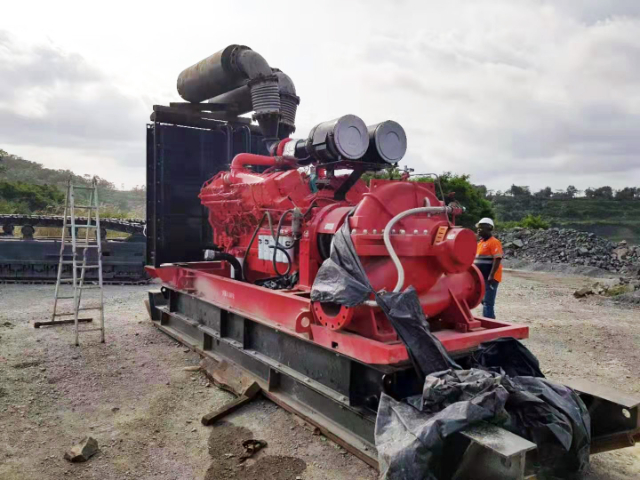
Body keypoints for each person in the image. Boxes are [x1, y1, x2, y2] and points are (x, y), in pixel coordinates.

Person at [475, 218, 503, 319]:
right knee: (483, 300)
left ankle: (490, 322)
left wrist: (491, 275)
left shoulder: (494, 242)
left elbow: (497, 259)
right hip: (482, 278)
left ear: (489, 228)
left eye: (482, 227)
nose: (479, 230)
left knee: (488, 302)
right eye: (478, 228)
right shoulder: (480, 243)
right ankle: (490, 319)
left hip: (490, 278)